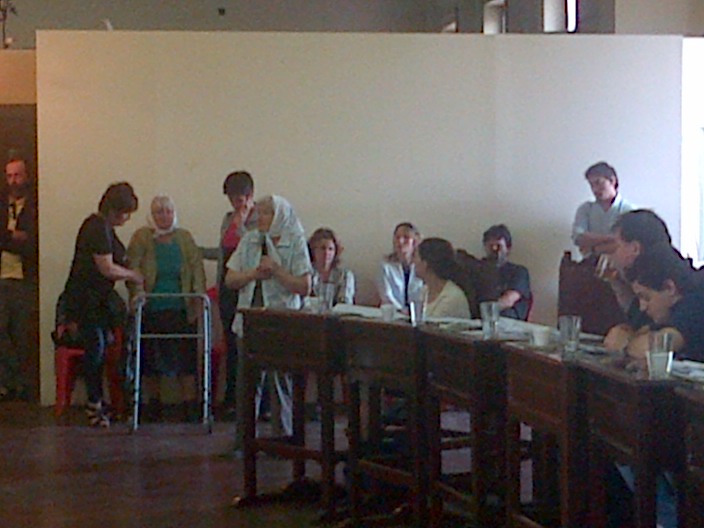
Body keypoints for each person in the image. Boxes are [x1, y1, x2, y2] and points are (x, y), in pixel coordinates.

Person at [225, 195, 312, 439]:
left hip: (281, 323)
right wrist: (253, 274)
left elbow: (304, 286)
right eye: (259, 212)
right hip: (250, 321)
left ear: (280, 216)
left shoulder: (295, 240)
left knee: (280, 383)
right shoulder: (250, 239)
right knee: (247, 384)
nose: (259, 217)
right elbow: (230, 279)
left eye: (266, 213)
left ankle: (283, 437)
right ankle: (244, 440)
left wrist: (276, 270)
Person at [63, 182, 143, 427]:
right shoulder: (96, 227)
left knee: (108, 347)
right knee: (96, 349)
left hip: (98, 301)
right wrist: (133, 276)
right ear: (115, 210)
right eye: (126, 212)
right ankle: (94, 404)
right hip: (85, 300)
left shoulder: (106, 228)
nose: (127, 218)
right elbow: (106, 268)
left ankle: (113, 402)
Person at [127, 195, 206, 421]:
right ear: (151, 215)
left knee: (186, 361)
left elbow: (197, 269)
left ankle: (190, 405)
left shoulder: (185, 238)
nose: (164, 216)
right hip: (151, 308)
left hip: (182, 308)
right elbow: (133, 267)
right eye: (159, 212)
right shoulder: (141, 237)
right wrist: (138, 293)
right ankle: (153, 404)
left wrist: (198, 299)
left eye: (168, 211)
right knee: (151, 359)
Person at [201, 171, 255, 413]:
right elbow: (224, 250)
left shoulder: (259, 219)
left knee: (249, 344)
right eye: (231, 198)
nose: (235, 203)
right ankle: (232, 397)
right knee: (231, 342)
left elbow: (249, 248)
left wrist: (241, 224)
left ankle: (253, 401)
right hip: (227, 288)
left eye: (239, 198)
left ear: (249, 195)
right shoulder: (227, 218)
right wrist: (199, 251)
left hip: (248, 289)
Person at [607, 245, 704, 363]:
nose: (642, 307)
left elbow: (654, 348)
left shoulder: (696, 305)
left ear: (669, 288)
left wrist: (624, 345)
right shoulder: (671, 311)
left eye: (646, 297)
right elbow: (643, 331)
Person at [602, 209, 675, 349]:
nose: (610, 255)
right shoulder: (634, 282)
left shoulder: (665, 284)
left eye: (614, 247)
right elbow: (637, 324)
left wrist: (626, 343)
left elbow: (659, 343)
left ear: (635, 249)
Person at [0, 157, 37, 401]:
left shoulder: (34, 206)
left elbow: (31, 241)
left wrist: (9, 237)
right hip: (1, 276)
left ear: (26, 176)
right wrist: (13, 236)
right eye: (9, 176)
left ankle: (21, 384)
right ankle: (9, 381)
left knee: (22, 334)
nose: (13, 181)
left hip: (23, 278)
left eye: (18, 175)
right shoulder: (2, 204)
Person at [572, 161, 634, 257]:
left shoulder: (629, 211)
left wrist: (593, 248)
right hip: (588, 264)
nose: (595, 189)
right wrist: (613, 239)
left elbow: (628, 244)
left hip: (618, 264)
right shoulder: (585, 209)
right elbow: (578, 237)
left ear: (612, 181)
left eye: (598, 183)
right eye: (591, 185)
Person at [482, 224, 532, 320]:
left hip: (508, 321)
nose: (494, 250)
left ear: (508, 248)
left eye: (498, 246)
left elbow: (508, 300)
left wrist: (486, 311)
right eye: (491, 246)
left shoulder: (519, 272)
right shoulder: (477, 269)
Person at [413, 238, 470, 319]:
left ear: (425, 263)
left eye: (415, 257)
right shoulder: (424, 291)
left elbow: (432, 325)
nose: (413, 262)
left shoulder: (452, 297)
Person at [376, 222, 423, 310]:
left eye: (406, 237)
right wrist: (402, 311)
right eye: (397, 237)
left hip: (419, 313)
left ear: (414, 241)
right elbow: (386, 296)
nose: (400, 241)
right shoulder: (386, 266)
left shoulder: (422, 266)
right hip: (393, 312)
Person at [308, 227, 355, 305]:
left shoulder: (344, 276)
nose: (326, 253)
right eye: (322, 248)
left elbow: (345, 304)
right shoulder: (306, 274)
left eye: (330, 249)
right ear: (313, 251)